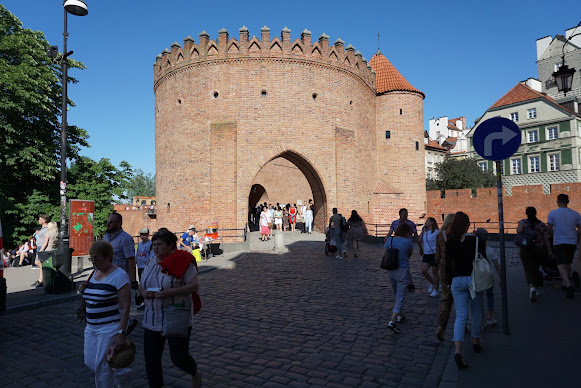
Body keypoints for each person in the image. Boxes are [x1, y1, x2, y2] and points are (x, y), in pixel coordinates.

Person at [138, 230, 202, 388]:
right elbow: (141, 283)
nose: (155, 248)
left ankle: (195, 372)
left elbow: (194, 286)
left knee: (179, 357)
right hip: (151, 317)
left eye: (159, 245)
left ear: (171, 246)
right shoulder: (150, 262)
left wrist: (168, 293)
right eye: (153, 245)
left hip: (176, 316)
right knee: (151, 359)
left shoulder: (182, 261)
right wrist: (142, 292)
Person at [79, 240, 131, 387]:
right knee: (90, 362)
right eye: (91, 258)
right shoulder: (94, 273)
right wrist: (82, 289)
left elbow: (126, 307)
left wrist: (121, 333)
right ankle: (122, 374)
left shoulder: (119, 276)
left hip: (109, 328)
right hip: (91, 327)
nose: (94, 262)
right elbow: (91, 296)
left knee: (102, 368)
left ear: (108, 257)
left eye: (97, 258)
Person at [445, 212, 485, 369]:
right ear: (467, 224)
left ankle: (458, 352)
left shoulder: (450, 241)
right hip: (473, 280)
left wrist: (449, 281)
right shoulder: (475, 241)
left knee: (460, 316)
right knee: (476, 313)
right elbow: (482, 261)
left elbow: (448, 264)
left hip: (457, 280)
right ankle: (476, 341)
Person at [104, 213, 139, 330]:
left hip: (120, 278)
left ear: (119, 223)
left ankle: (126, 324)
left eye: (111, 222)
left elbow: (131, 260)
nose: (108, 224)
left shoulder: (126, 238)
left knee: (120, 305)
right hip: (106, 276)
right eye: (108, 222)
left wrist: (133, 281)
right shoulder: (106, 237)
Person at [547, 194, 581, 298]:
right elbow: (580, 230)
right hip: (572, 241)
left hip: (559, 241)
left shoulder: (552, 213)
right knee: (567, 262)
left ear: (557, 202)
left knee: (561, 264)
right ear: (568, 201)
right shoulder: (575, 214)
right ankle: (564, 283)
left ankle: (568, 284)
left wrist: (552, 236)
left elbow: (549, 229)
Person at [516, 207, 553, 302]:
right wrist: (549, 251)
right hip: (540, 249)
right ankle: (537, 289)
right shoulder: (541, 224)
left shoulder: (523, 222)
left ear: (526, 213)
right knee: (536, 268)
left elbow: (519, 231)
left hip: (526, 248)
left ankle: (531, 287)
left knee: (528, 269)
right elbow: (546, 239)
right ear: (536, 213)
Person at [384, 223, 413, 333]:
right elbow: (408, 256)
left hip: (391, 269)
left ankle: (400, 315)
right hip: (403, 270)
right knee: (400, 296)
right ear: (406, 232)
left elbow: (385, 253)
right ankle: (392, 320)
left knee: (396, 293)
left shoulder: (390, 241)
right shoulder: (408, 242)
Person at [474, 228, 502, 327]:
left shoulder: (473, 250)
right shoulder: (490, 250)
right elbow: (497, 265)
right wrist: (502, 278)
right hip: (488, 276)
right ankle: (490, 316)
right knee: (490, 295)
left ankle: (480, 319)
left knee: (478, 298)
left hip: (477, 277)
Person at [386, 209, 418, 291]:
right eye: (404, 214)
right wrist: (387, 239)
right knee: (403, 263)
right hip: (397, 245)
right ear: (400, 214)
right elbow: (390, 232)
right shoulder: (394, 223)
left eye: (407, 214)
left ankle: (408, 281)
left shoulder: (411, 224)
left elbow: (416, 235)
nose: (406, 216)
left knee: (404, 262)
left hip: (407, 246)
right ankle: (407, 281)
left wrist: (420, 246)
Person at [435, 214, 455, 341]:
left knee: (445, 298)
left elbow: (437, 256)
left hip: (443, 267)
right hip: (455, 266)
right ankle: (462, 325)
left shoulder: (439, 235)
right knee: (461, 297)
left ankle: (440, 327)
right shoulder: (455, 236)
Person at [419, 217, 440, 297]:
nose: (425, 223)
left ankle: (436, 289)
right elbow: (419, 240)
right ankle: (432, 283)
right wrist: (422, 232)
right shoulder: (425, 232)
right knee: (424, 270)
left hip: (434, 254)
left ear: (432, 223)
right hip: (426, 254)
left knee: (435, 272)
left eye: (427, 221)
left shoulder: (437, 232)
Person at [30, 215, 49, 287]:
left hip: (41, 248)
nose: (38, 220)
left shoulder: (46, 229)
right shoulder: (43, 228)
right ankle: (41, 279)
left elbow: (46, 239)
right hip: (39, 247)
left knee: (40, 263)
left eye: (40, 219)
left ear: (44, 221)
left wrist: (42, 249)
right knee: (38, 263)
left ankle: (41, 280)